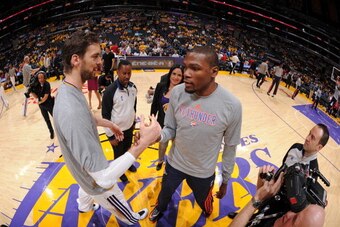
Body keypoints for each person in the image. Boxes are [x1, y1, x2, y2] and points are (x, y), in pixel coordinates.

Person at [54, 30, 161, 225]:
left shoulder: (69, 89)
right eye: (95, 56)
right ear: (76, 60)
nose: (100, 62)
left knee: (84, 185)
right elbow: (103, 179)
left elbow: (87, 115)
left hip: (81, 170)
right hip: (96, 182)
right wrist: (143, 143)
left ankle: (84, 206)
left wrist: (109, 123)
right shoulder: (70, 109)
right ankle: (132, 219)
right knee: (115, 198)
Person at [149, 46, 242, 221]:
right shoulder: (177, 92)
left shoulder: (232, 106)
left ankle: (207, 209)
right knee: (165, 192)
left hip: (203, 172)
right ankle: (160, 208)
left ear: (214, 71)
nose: (186, 74)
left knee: (204, 202)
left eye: (195, 68)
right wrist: (157, 136)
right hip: (175, 163)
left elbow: (230, 147)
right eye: (185, 67)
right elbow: (170, 129)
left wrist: (226, 178)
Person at [230, 123, 329, 227]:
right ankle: (246, 218)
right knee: (258, 207)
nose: (307, 138)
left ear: (319, 147)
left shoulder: (313, 171)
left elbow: (299, 204)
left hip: (282, 207)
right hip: (273, 189)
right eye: (309, 133)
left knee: (263, 218)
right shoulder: (295, 147)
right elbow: (283, 165)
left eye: (312, 138)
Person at [229, 165, 325, 227]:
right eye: (297, 210)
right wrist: (263, 182)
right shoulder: (282, 211)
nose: (288, 214)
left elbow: (258, 201)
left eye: (294, 220)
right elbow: (262, 207)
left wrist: (256, 200)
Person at [101, 60, 137, 182]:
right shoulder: (110, 91)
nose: (127, 76)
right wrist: (110, 136)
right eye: (124, 73)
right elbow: (105, 116)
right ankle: (119, 172)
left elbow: (133, 107)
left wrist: (133, 123)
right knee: (118, 154)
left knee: (128, 150)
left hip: (129, 128)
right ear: (118, 72)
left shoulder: (133, 88)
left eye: (129, 73)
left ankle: (127, 165)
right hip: (117, 131)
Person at [150, 64, 184, 170]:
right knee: (162, 144)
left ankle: (172, 164)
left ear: (183, 78)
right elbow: (154, 103)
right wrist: (152, 119)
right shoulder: (161, 86)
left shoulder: (185, 92)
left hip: (177, 125)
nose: (176, 77)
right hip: (162, 123)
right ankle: (160, 160)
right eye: (174, 74)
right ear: (170, 74)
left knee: (175, 146)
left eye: (179, 75)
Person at [31, 71, 55, 139]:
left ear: (44, 77)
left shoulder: (47, 84)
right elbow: (36, 97)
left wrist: (39, 102)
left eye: (42, 77)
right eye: (39, 78)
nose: (40, 79)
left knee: (55, 118)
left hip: (49, 104)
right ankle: (51, 131)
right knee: (47, 120)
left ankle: (61, 130)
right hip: (42, 106)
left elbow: (46, 97)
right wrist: (32, 91)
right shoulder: (37, 85)